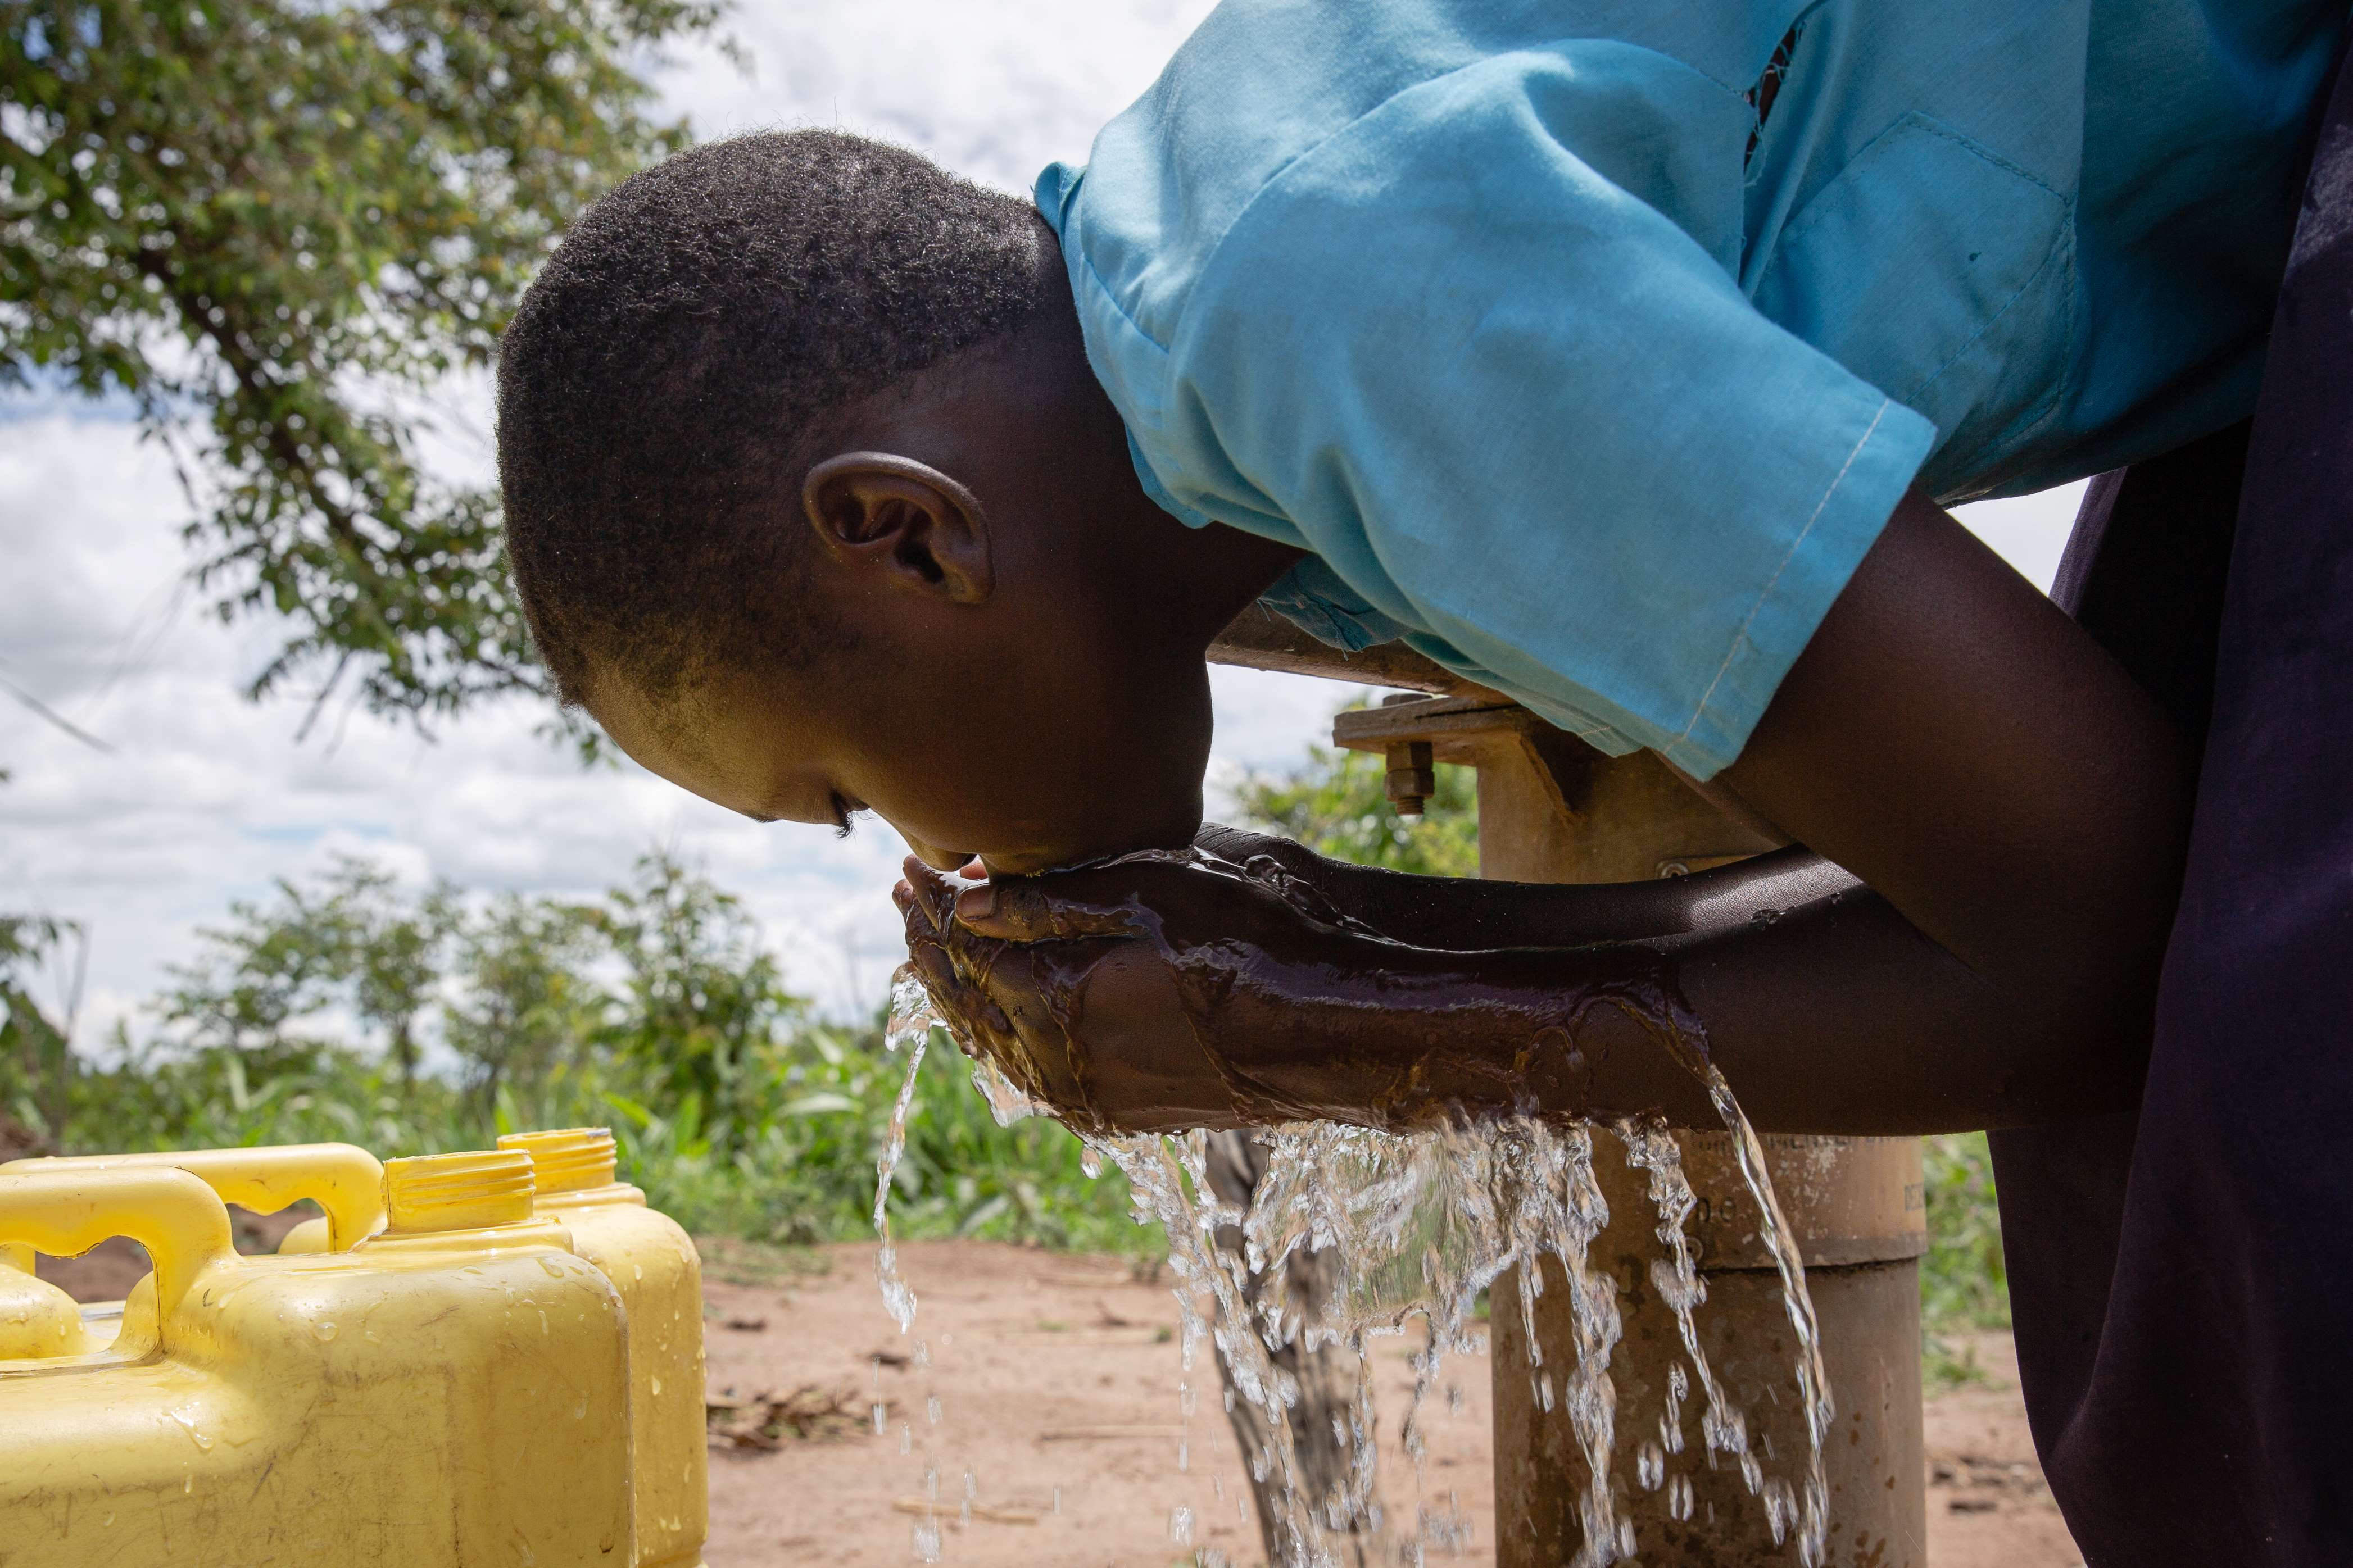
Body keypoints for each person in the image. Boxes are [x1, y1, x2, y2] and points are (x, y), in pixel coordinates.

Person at [492, 2, 2353, 1559]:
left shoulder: (1330, 309)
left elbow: (2101, 943)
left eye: (839, 791)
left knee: (2284, 1147)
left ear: (904, 536)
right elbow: (2051, 898)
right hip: (2254, 294)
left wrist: (1316, 1021)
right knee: (2172, 1313)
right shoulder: (1227, 427)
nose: (926, 853)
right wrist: (1322, 946)